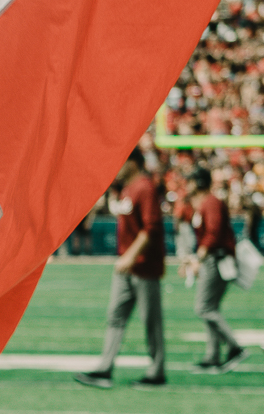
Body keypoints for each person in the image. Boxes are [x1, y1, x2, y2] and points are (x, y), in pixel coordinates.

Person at [75, 147, 166, 388]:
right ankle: (104, 368)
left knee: (151, 321)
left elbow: (151, 228)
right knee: (115, 316)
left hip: (144, 265)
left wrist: (131, 256)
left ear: (133, 163)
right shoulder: (126, 188)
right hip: (126, 264)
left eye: (121, 161)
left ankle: (157, 371)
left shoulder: (144, 187)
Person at [181, 168, 250, 373]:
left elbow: (213, 232)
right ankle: (213, 355)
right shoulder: (204, 203)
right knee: (210, 307)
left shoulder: (211, 202)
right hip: (213, 258)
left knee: (204, 308)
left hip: (217, 259)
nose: (187, 185)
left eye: (191, 181)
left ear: (199, 182)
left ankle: (234, 347)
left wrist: (198, 258)